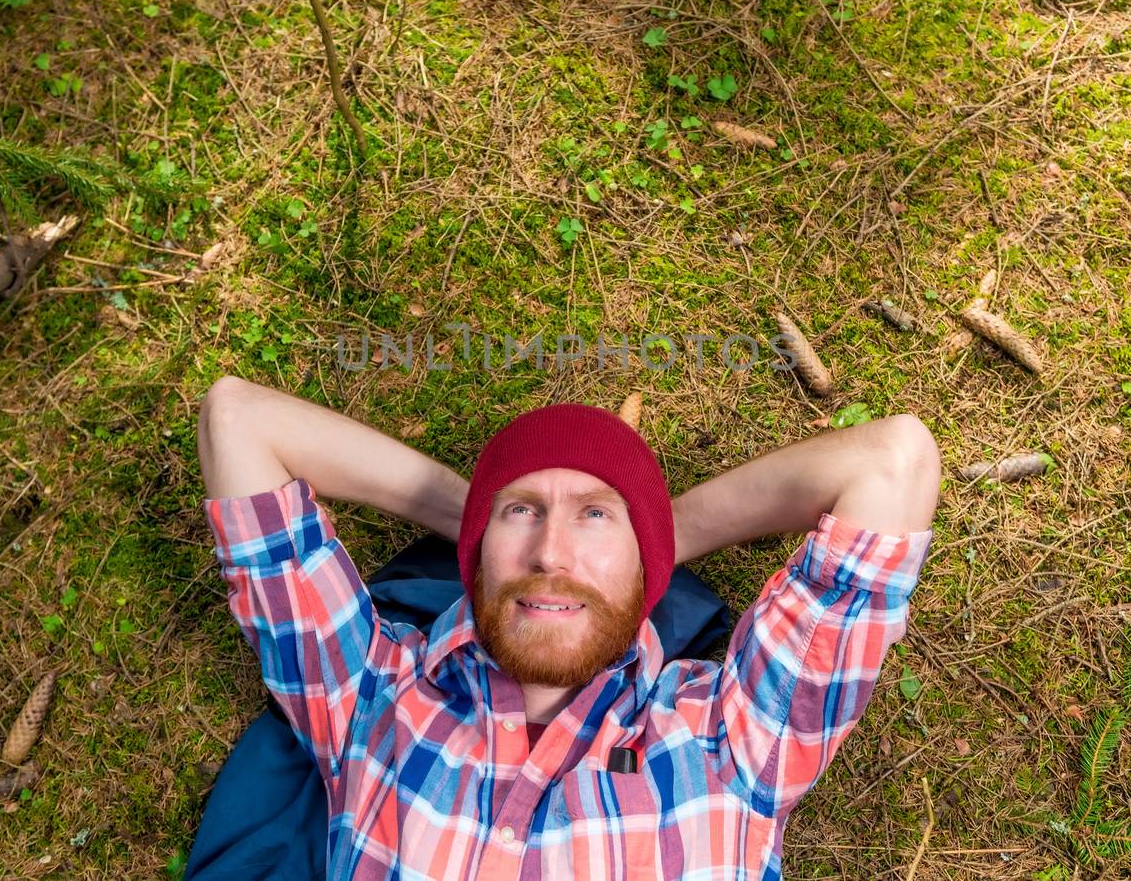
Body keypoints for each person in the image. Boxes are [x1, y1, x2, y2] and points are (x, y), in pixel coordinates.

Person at [189, 376, 939, 880]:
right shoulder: (370, 695)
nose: (550, 552)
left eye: (594, 516)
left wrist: (662, 536)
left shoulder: (733, 736)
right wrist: (471, 521)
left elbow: (893, 461)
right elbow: (237, 417)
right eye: (521, 512)